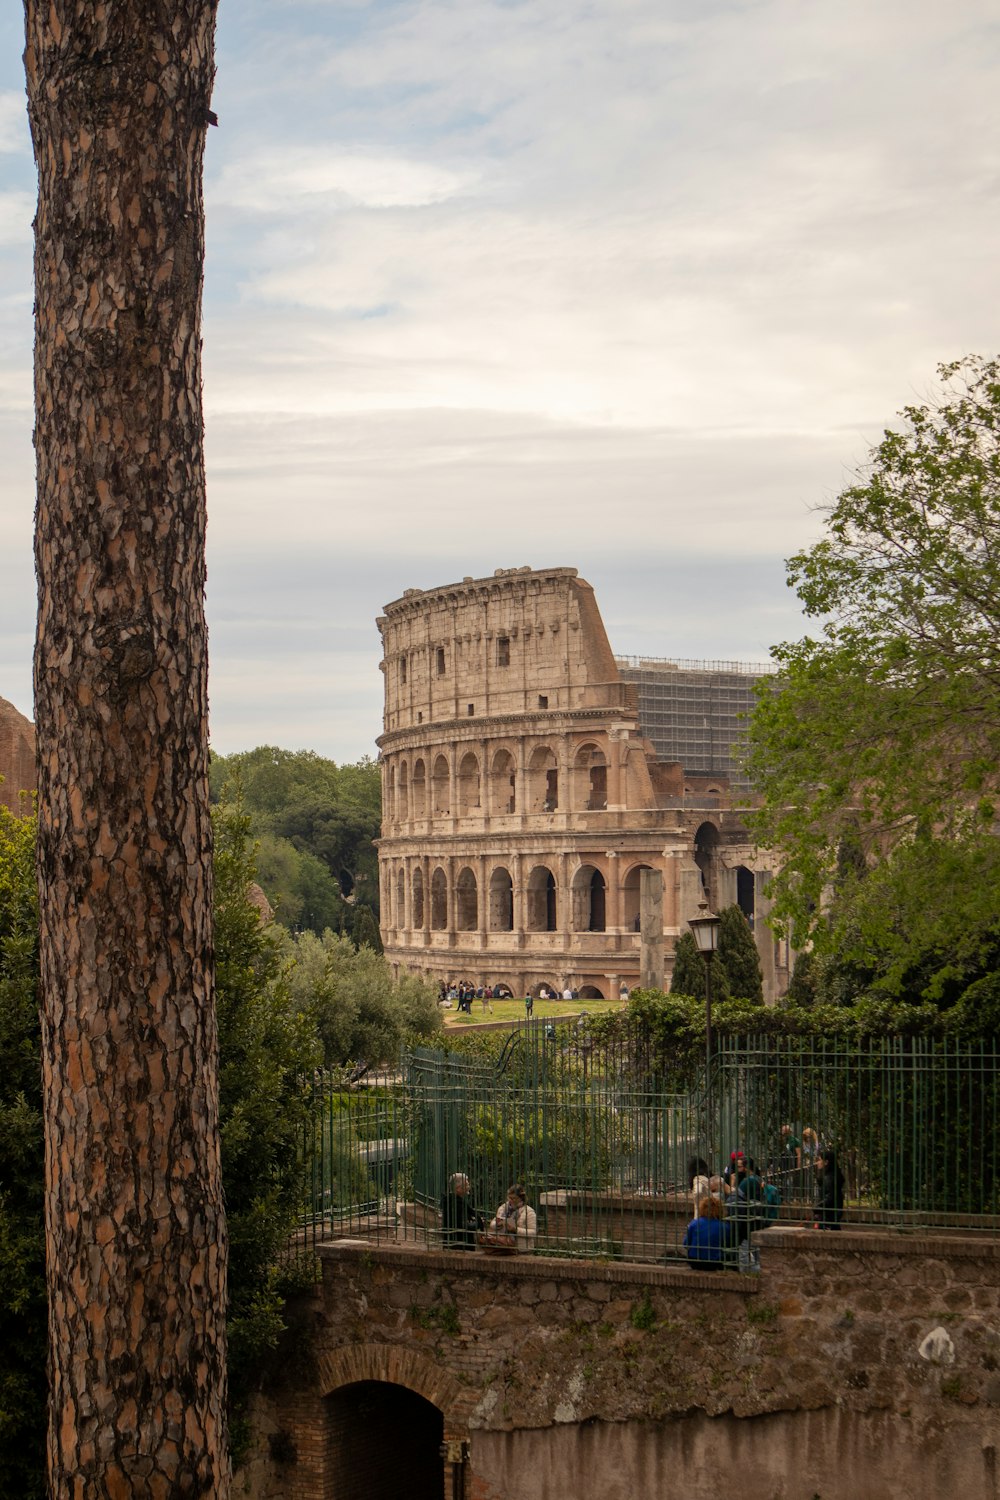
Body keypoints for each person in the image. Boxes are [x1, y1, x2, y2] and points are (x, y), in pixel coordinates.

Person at [683, 1195, 731, 1270]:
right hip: (714, 1262)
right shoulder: (724, 1226)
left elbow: (686, 1244)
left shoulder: (694, 1223)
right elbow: (728, 1245)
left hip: (694, 1261)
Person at [488, 1183, 537, 1250]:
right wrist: (497, 1224)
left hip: (521, 1249)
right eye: (509, 1197)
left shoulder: (529, 1212)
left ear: (521, 1198)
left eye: (514, 1198)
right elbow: (492, 1223)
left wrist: (515, 1230)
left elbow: (533, 1233)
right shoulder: (503, 1208)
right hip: (502, 1246)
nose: (511, 1200)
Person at [440, 1172, 479, 1251]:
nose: (469, 1187)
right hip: (459, 1243)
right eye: (466, 1185)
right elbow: (460, 1225)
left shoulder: (452, 1200)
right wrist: (476, 1225)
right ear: (458, 1188)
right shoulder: (455, 1203)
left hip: (454, 1242)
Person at [814, 1147, 845, 1230]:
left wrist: (818, 1206)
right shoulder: (833, 1175)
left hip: (828, 1213)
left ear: (826, 1162)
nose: (817, 1162)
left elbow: (829, 1197)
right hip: (833, 1212)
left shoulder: (828, 1178)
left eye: (820, 1160)